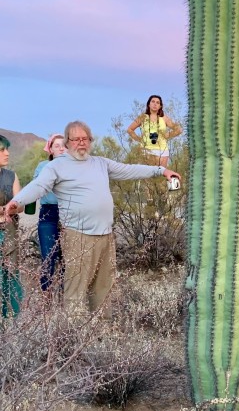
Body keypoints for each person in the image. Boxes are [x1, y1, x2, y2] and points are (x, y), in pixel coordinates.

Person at [4, 121, 181, 320]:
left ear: (90, 141)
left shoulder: (101, 163)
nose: (81, 143)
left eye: (85, 138)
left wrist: (162, 171)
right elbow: (38, 186)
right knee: (76, 288)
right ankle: (73, 336)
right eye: (75, 139)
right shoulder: (57, 166)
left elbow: (130, 169)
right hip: (77, 236)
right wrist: (16, 202)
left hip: (106, 236)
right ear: (68, 142)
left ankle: (101, 333)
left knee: (103, 288)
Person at [33, 134, 65, 291]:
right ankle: (46, 301)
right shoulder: (43, 166)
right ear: (50, 149)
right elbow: (36, 188)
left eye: (63, 145)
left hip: (70, 214)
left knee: (69, 259)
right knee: (48, 258)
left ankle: (67, 301)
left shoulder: (75, 167)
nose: (60, 148)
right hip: (49, 213)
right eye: (56, 145)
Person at [0, 135, 23, 317]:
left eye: (7, 149)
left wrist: (9, 209)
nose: (7, 153)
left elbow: (21, 204)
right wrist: (5, 209)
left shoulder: (11, 176)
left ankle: (12, 321)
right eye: (2, 150)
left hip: (9, 232)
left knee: (11, 275)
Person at [127, 94, 182, 168]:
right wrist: (139, 140)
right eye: (153, 102)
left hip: (162, 150)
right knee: (147, 176)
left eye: (157, 102)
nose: (155, 104)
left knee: (161, 176)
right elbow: (130, 130)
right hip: (146, 150)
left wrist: (167, 135)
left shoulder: (164, 118)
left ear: (160, 106)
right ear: (149, 104)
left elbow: (178, 130)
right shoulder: (142, 117)